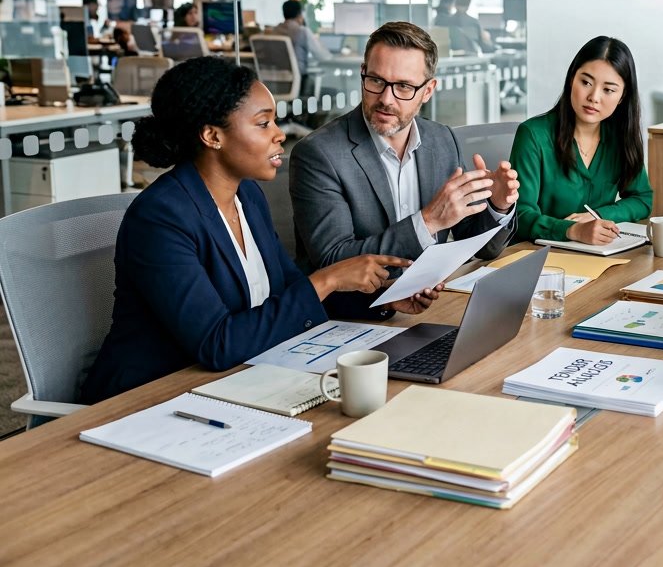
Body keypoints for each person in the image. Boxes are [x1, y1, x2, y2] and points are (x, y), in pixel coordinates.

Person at [80, 57, 423, 404]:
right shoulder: (160, 218)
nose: (279, 134)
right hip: (147, 399)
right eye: (263, 123)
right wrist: (327, 279)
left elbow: (288, 291)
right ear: (212, 136)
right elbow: (217, 343)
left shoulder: (247, 195)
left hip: (237, 380)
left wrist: (379, 299)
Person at [289, 21, 519, 319]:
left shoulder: (442, 140)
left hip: (428, 311)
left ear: (428, 91)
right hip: (350, 319)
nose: (386, 98)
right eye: (376, 81)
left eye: (403, 87)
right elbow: (333, 261)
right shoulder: (320, 153)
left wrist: (497, 207)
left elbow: (478, 245)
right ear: (363, 74)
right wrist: (427, 222)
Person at [510, 36, 653, 245]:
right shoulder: (533, 135)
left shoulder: (620, 137)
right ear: (571, 80)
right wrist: (573, 230)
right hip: (541, 255)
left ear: (622, 97)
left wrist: (597, 215)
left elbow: (642, 199)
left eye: (608, 90)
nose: (594, 97)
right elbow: (519, 216)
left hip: (600, 255)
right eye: (586, 82)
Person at [270, 0, 332, 97]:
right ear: (300, 15)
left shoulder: (274, 31)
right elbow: (323, 56)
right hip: (300, 82)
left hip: (277, 84)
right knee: (333, 92)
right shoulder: (302, 31)